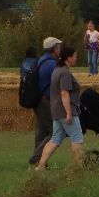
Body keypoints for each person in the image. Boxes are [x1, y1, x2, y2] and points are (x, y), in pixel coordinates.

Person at [38, 47, 85, 169]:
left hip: (56, 111)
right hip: (66, 111)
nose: (76, 58)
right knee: (77, 139)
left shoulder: (56, 70)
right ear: (68, 58)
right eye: (75, 56)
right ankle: (79, 168)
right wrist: (69, 113)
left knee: (55, 140)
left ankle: (40, 167)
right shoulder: (65, 72)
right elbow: (64, 93)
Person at [27, 38, 63, 166]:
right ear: (55, 49)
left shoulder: (41, 60)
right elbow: (59, 83)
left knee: (41, 131)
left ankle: (39, 162)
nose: (60, 49)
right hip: (46, 101)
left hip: (38, 100)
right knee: (55, 131)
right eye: (59, 47)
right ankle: (37, 156)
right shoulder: (51, 64)